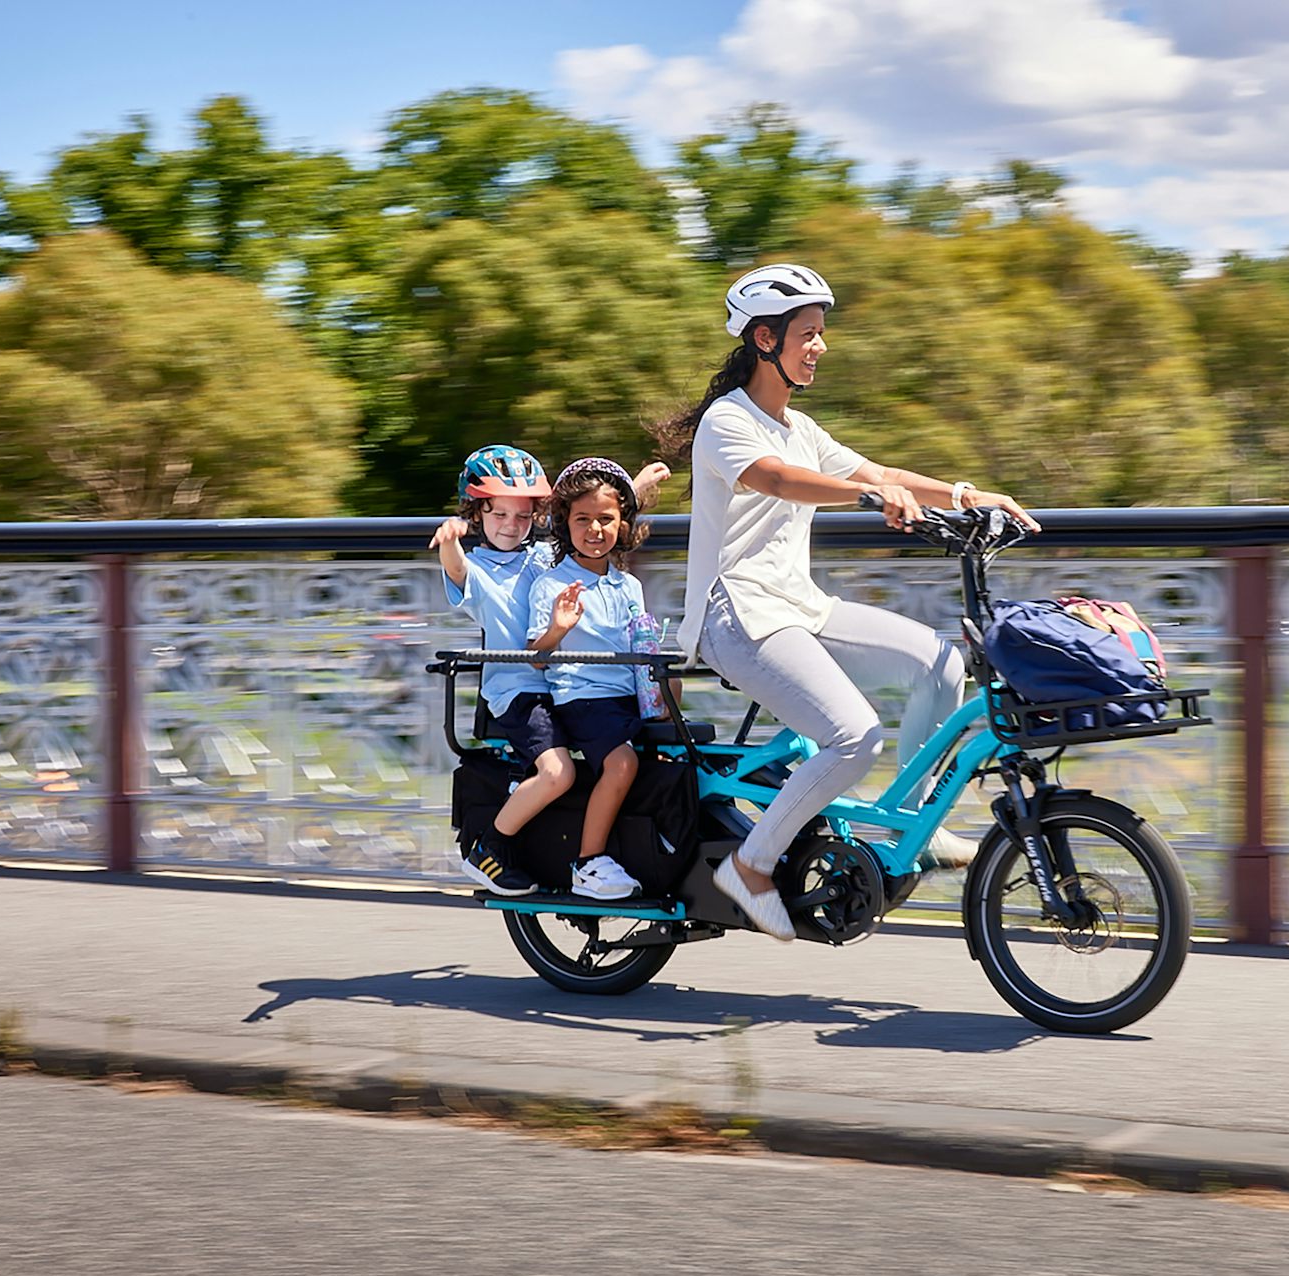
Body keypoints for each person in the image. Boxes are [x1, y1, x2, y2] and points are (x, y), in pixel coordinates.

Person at [651, 263, 1040, 941]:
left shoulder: (799, 428)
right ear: (765, 339)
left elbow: (882, 473)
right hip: (736, 615)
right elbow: (774, 479)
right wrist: (863, 496)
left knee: (941, 666)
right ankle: (751, 865)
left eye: (821, 333)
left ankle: (910, 829)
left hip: (798, 607)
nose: (820, 346)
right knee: (854, 735)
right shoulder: (727, 421)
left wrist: (968, 497)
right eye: (808, 333)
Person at [431, 446, 671, 897]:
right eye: (498, 513)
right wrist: (449, 540)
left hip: (562, 684)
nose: (511, 525)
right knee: (558, 773)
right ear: (476, 511)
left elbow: (589, 520)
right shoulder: (480, 568)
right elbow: (458, 568)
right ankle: (489, 848)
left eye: (523, 516)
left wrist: (632, 489)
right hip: (519, 689)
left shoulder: (541, 555)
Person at [527, 458, 652, 901]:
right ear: (565, 523)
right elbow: (536, 659)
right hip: (583, 697)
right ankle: (589, 862)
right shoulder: (552, 584)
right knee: (623, 764)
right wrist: (559, 627)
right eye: (583, 519)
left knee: (690, 751)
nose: (595, 529)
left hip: (628, 696)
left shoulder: (629, 586)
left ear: (623, 524)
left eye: (606, 519)